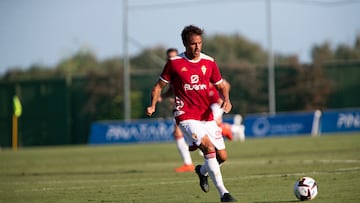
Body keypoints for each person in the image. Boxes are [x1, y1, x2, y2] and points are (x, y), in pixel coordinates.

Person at [147, 25, 236, 202]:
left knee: (222, 156)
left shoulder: (209, 62)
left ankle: (201, 171)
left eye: (200, 43)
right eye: (193, 44)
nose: (197, 47)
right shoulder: (174, 63)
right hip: (185, 114)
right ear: (185, 44)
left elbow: (221, 85)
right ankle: (224, 193)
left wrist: (226, 99)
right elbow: (159, 86)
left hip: (206, 116)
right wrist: (152, 105)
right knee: (208, 148)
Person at [163, 48, 195, 173]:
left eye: (173, 56)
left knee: (180, 134)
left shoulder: (182, 69)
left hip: (188, 107)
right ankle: (194, 160)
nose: (171, 59)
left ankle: (189, 163)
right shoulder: (170, 71)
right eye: (169, 57)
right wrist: (164, 97)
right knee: (182, 134)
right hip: (180, 106)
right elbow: (172, 90)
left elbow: (189, 88)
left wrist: (179, 100)